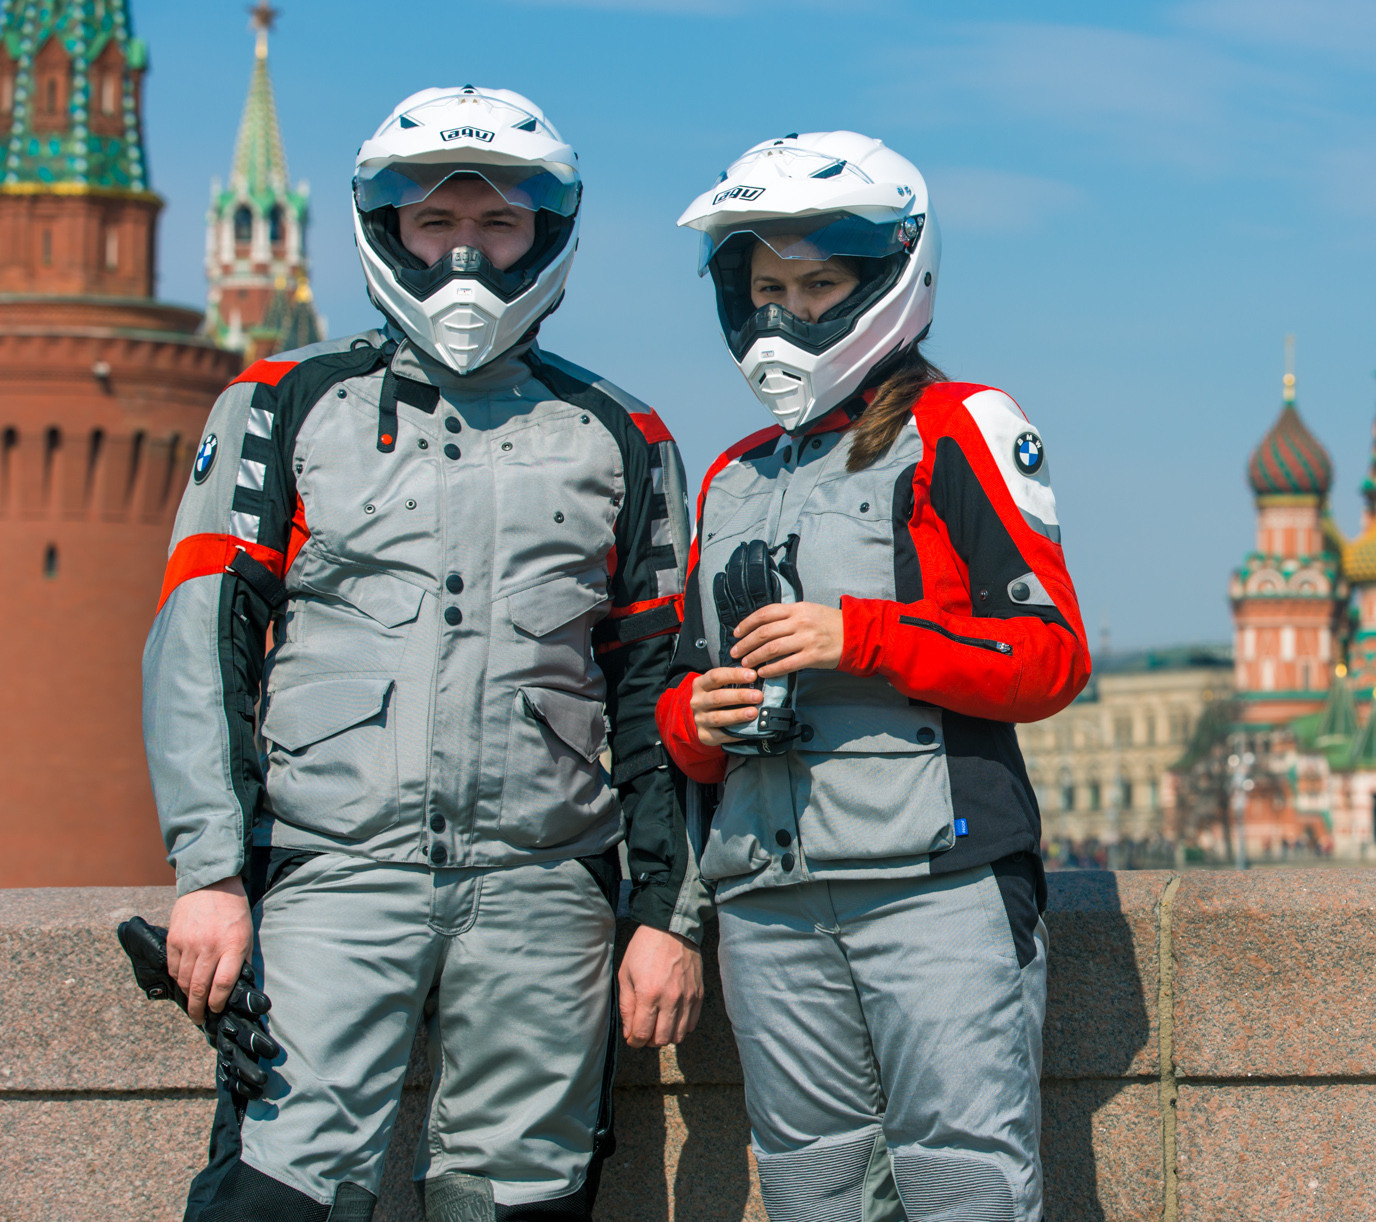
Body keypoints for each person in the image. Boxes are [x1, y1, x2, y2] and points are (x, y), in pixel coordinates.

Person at [144, 85, 705, 1221]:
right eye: (434, 224)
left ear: (544, 233)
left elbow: (659, 689)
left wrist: (665, 913)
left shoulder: (623, 434)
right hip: (329, 873)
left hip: (546, 887)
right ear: (386, 229)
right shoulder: (281, 403)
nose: (465, 255)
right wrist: (208, 870)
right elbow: (202, 639)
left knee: (520, 1204)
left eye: (496, 225)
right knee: (273, 1195)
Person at [660, 130, 1091, 1222]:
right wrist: (694, 716)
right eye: (765, 290)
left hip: (933, 884)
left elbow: (1049, 657)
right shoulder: (732, 474)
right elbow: (680, 700)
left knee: (963, 1187)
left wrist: (863, 637)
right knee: (811, 1195)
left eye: (817, 287)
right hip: (768, 899)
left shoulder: (960, 428)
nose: (785, 318)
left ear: (888, 279)